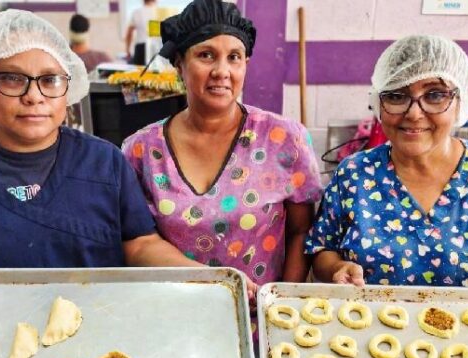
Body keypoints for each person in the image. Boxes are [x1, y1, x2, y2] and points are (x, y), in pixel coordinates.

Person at [0, 9, 204, 286]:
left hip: (98, 341)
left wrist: (207, 277)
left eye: (49, 80)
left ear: (69, 88)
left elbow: (141, 243)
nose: (33, 96)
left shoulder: (104, 163)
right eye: (12, 78)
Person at [305, 34, 468, 289]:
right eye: (396, 95)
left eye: (435, 95)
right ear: (378, 102)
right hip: (369, 326)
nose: (414, 113)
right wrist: (336, 268)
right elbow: (322, 249)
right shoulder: (354, 174)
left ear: (461, 103)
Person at [121, 0, 323, 295]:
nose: (222, 70)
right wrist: (218, 281)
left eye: (234, 57)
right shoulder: (140, 151)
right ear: (179, 64)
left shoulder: (283, 139)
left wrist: (280, 304)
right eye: (206, 55)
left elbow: (300, 231)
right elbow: (137, 244)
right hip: (174, 312)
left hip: (258, 319)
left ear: (246, 65)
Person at [124, 0, 158, 65]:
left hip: (141, 48)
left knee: (139, 72)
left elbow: (129, 33)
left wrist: (127, 50)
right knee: (157, 72)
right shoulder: (159, 11)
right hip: (156, 47)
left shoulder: (136, 12)